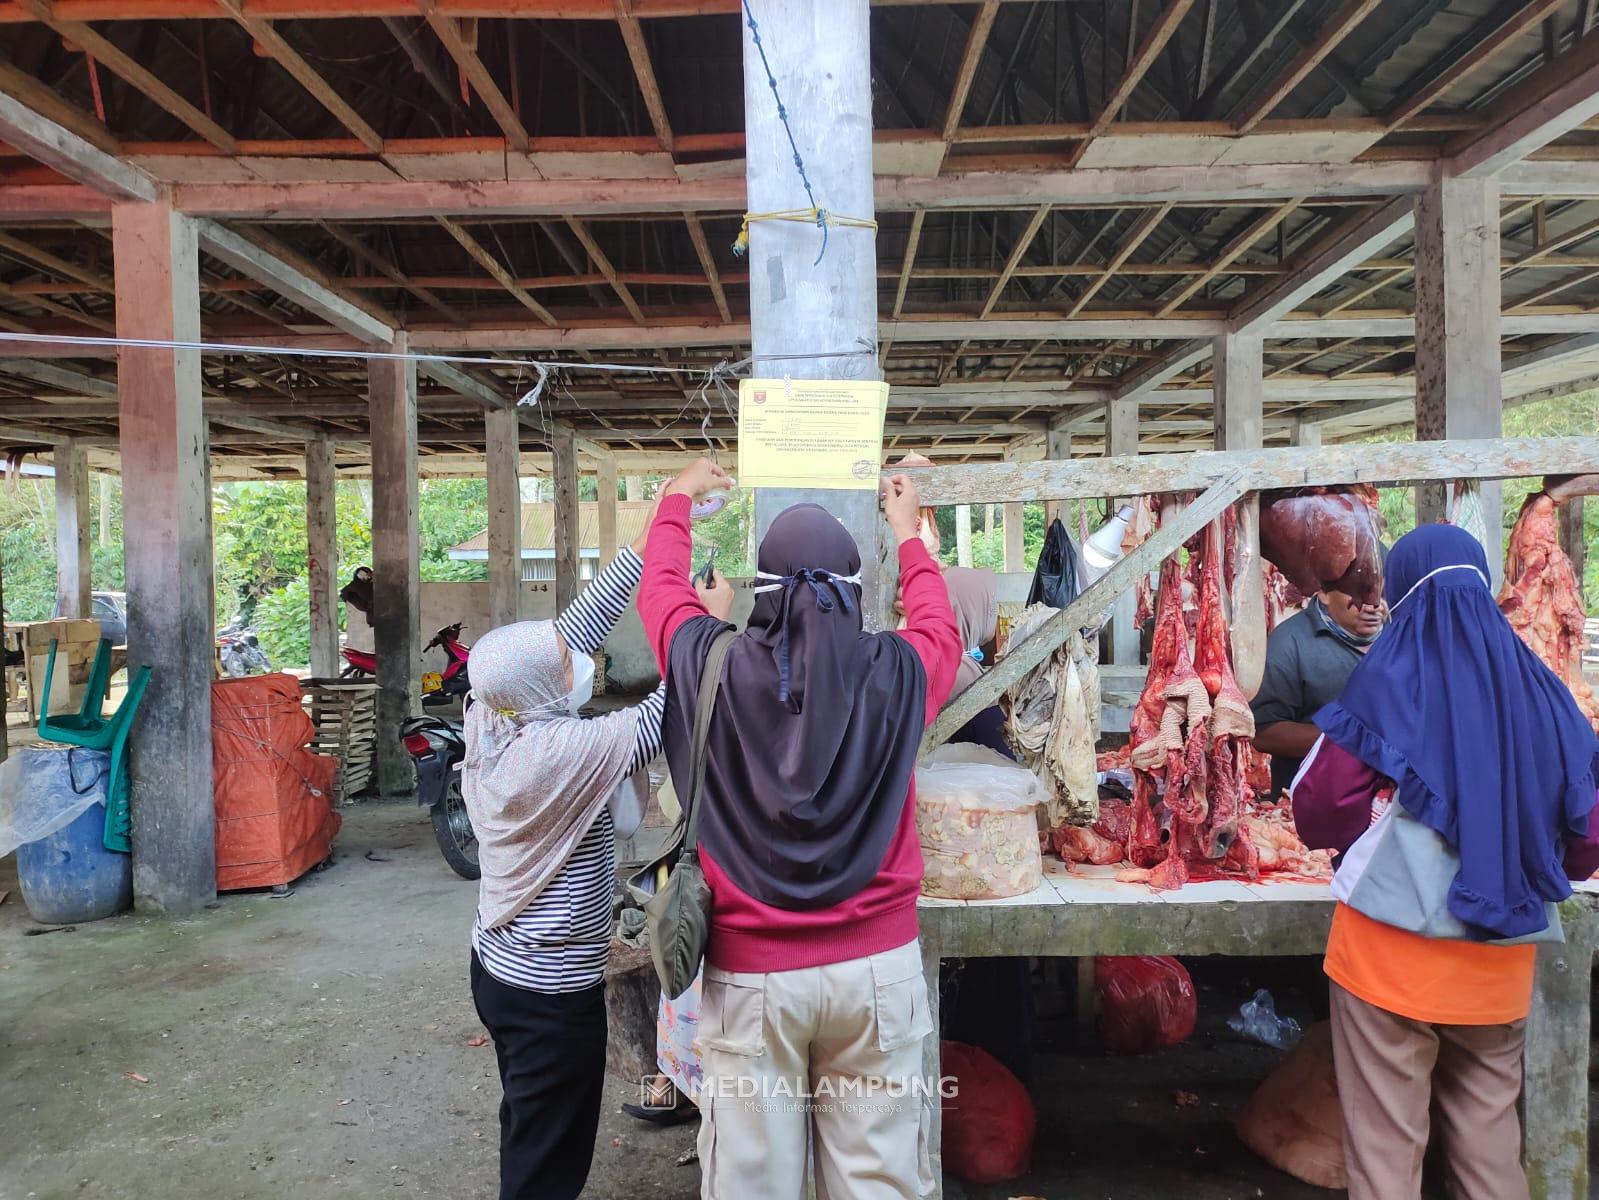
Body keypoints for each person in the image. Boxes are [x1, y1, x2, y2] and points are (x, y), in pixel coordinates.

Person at [638, 458, 962, 1200]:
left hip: (750, 980)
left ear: (764, 594)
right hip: (877, 973)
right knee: (878, 1178)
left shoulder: (706, 660)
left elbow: (660, 594)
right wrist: (910, 535)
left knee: (752, 1183)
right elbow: (939, 621)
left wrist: (677, 499)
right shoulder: (901, 669)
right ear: (853, 594)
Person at [1291, 524, 1599, 1200]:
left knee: (1385, 1157)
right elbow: (1587, 837)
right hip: (1498, 961)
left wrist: (1374, 823)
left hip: (1385, 961)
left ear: (1401, 593)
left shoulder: (1386, 679)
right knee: (1489, 1150)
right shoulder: (1546, 694)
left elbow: (1320, 804)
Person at [461, 508, 720, 1200]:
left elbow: (569, 632)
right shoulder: (560, 753)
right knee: (552, 1154)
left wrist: (653, 537)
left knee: (530, 1118)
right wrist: (704, 620)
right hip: (548, 991)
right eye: (570, 661)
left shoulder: (493, 711)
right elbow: (678, 701)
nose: (585, 660)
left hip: (501, 964)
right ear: (547, 686)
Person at [936, 566, 1035, 1083]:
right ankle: (996, 1071)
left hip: (947, 845)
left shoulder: (934, 661)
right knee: (992, 966)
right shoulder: (959, 675)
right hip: (970, 848)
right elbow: (999, 756)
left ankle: (969, 1069)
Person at [1251, 585, 1384, 801]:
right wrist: (1353, 740)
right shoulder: (1289, 643)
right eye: (1359, 592)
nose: (1372, 604)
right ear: (1324, 593)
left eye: (1380, 591)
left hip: (1386, 808)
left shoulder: (1400, 632)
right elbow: (1263, 732)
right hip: (1310, 806)